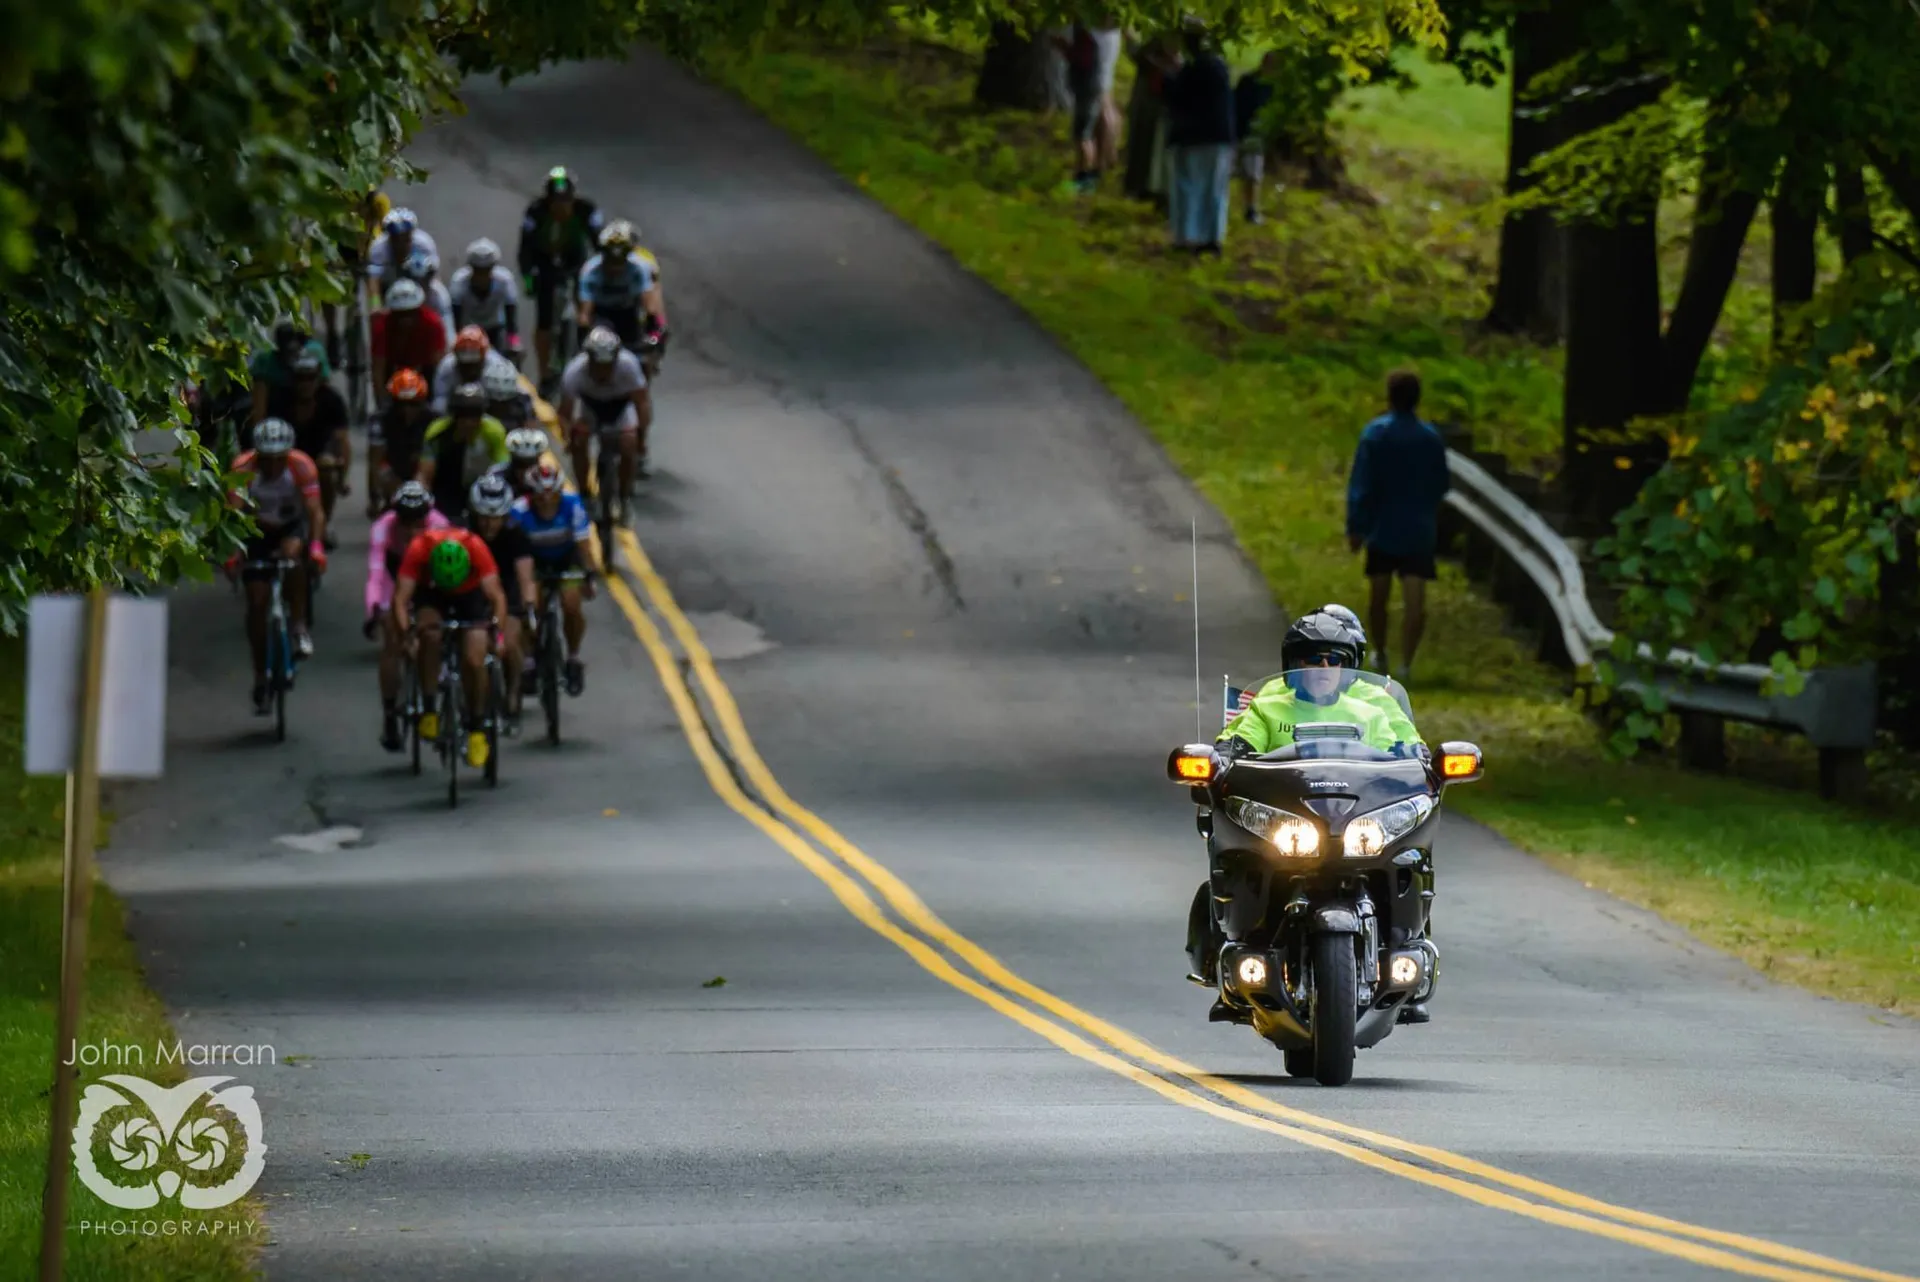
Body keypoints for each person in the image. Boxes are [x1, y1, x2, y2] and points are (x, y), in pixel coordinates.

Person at [1346, 369, 1451, 678]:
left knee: (1379, 595)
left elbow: (1362, 483)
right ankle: (1407, 662)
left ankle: (1379, 652)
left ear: (1389, 396)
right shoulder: (1430, 438)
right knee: (1415, 599)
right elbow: (1441, 483)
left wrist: (1356, 526)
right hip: (1418, 529)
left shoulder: (1376, 434)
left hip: (1382, 527)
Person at [225, 419, 327, 710]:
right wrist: (233, 554)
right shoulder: (243, 469)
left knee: (293, 559)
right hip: (255, 530)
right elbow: (232, 515)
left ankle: (298, 624)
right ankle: (260, 673)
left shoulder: (301, 466)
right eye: (266, 460)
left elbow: (315, 513)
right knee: (257, 602)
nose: (271, 467)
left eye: (278, 460)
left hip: (290, 527)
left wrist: (317, 548)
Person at [1216, 612, 1418, 758]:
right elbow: (1237, 746)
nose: (1324, 666)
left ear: (1344, 667)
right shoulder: (1266, 709)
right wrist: (1223, 755)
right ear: (1296, 665)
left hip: (1361, 808)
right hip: (1283, 805)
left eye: (1334, 659)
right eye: (1314, 658)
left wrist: (1420, 759)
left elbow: (1402, 758)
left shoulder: (1372, 714)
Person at [392, 525, 509, 770]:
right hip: (432, 595)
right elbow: (401, 600)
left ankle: (477, 727)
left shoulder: (476, 547)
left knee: (476, 657)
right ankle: (430, 707)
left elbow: (497, 597)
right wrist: (407, 635)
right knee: (430, 635)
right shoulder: (418, 549)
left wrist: (496, 633)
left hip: (470, 596)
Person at [364, 482, 451, 750]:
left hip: (427, 582)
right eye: (406, 523)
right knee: (392, 639)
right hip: (395, 579)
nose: (413, 530)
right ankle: (390, 714)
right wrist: (374, 610)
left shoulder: (440, 526)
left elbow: (448, 576)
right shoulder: (383, 528)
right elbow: (377, 574)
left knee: (432, 634)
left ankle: (429, 705)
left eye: (419, 523)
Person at [511, 458, 601, 698]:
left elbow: (584, 544)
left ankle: (573, 657)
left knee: (571, 604)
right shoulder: (519, 511)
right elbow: (514, 550)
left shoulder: (573, 505)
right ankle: (530, 660)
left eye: (552, 495)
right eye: (540, 495)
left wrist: (589, 575)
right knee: (531, 608)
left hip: (566, 559)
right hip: (535, 561)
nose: (546, 500)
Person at [517, 167, 604, 386]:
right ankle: (545, 371)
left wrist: (600, 272)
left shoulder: (587, 210)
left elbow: (599, 244)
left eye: (566, 201)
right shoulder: (535, 213)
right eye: (556, 202)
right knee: (544, 318)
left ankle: (590, 353)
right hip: (544, 260)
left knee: (588, 307)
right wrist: (529, 279)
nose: (561, 207)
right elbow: (525, 249)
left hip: (574, 259)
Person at [467, 473, 539, 733]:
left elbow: (525, 576)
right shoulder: (465, 533)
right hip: (474, 592)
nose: (488, 525)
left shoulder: (515, 535)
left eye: (495, 517)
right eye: (483, 517)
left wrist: (529, 608)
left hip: (507, 593)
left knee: (509, 642)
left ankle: (512, 696)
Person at [1161, 20, 1235, 255]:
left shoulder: (1192, 69)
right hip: (1219, 137)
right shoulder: (1218, 66)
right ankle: (1212, 237)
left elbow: (1178, 99)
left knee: (1188, 187)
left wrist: (1169, 75)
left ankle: (1187, 236)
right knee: (1214, 189)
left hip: (1192, 136)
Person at [266, 350, 352, 538]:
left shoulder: (332, 400)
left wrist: (342, 477)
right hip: (285, 458)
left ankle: (325, 523)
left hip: (320, 459)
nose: (305, 384)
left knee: (327, 467)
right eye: (300, 378)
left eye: (310, 378)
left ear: (317, 378)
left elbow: (342, 440)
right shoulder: (280, 399)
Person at [558, 324, 651, 494]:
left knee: (629, 444)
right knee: (579, 440)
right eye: (597, 365)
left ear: (616, 358)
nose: (603, 371)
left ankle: (625, 494)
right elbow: (565, 412)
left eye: (608, 365)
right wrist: (568, 438)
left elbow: (642, 403)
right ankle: (584, 492)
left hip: (620, 407)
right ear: (588, 359)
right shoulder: (574, 372)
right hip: (590, 408)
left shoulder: (629, 365)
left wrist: (641, 439)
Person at [417, 382, 509, 523]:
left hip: (482, 487)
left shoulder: (494, 431)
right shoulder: (437, 432)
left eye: (475, 416)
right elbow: (425, 473)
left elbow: (502, 468)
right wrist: (422, 501)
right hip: (447, 488)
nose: (469, 422)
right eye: (463, 416)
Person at [576, 220, 666, 355]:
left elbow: (650, 307)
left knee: (642, 357)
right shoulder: (590, 272)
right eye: (611, 260)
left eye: (620, 260)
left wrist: (656, 333)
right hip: (601, 316)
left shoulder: (639, 269)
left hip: (628, 314)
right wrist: (584, 340)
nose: (615, 266)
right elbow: (585, 315)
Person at [367, 369, 435, 517]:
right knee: (385, 473)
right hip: (394, 468)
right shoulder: (380, 420)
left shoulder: (433, 419)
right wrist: (374, 498)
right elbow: (374, 460)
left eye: (413, 404)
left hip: (423, 466)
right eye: (401, 404)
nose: (406, 410)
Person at [370, 279, 448, 401]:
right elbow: (378, 368)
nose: (405, 320)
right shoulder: (382, 327)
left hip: (425, 370)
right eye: (400, 315)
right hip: (394, 370)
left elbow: (439, 365)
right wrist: (382, 401)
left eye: (410, 313)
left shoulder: (433, 324)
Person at [248, 317, 331, 429]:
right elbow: (259, 404)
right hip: (277, 409)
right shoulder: (265, 361)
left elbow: (324, 394)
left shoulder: (315, 354)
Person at [450, 238, 523, 360]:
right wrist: (455, 341)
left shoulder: (504, 281)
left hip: (495, 328)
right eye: (478, 270)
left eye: (486, 270)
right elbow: (454, 317)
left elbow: (511, 317)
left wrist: (513, 342)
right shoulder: (459, 282)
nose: (482, 276)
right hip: (468, 332)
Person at [1233, 52, 1282, 226]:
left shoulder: (1274, 86)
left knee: (1253, 175)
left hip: (1256, 136)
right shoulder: (1249, 81)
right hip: (1240, 132)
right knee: (1236, 172)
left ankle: (1250, 209)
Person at [431, 325, 516, 412]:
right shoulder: (447, 366)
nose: (469, 369)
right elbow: (440, 401)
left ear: (483, 358)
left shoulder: (497, 365)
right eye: (465, 365)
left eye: (473, 364)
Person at [366, 207, 439, 289]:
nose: (401, 245)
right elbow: (373, 279)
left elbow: (433, 272)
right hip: (387, 284)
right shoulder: (378, 249)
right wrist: (375, 301)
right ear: (389, 238)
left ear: (412, 234)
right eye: (396, 240)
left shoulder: (423, 244)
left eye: (405, 239)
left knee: (438, 293)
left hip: (418, 284)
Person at [400, 246, 458, 346]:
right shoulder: (399, 292)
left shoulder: (439, 294)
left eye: (424, 281)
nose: (420, 287)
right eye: (415, 281)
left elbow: (447, 327)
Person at [497, 425, 561, 497]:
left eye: (531, 464)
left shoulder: (549, 479)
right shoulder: (497, 477)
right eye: (520, 464)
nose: (525, 470)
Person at [483, 363, 534, 431]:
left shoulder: (523, 401)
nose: (501, 407)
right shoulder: (479, 401)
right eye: (496, 402)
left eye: (505, 402)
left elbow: (529, 429)